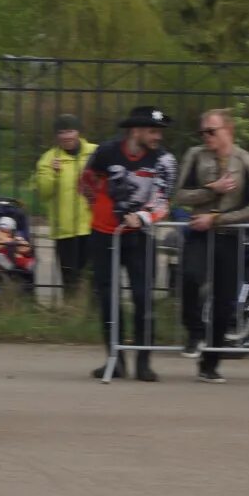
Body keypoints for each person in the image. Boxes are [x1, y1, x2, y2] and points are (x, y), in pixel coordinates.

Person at [79, 105, 177, 382]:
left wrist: (142, 217)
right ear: (135, 130)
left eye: (160, 131)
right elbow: (86, 180)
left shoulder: (164, 160)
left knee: (143, 297)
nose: (157, 136)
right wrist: (97, 205)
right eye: (152, 130)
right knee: (109, 298)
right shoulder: (106, 151)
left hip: (139, 235)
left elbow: (163, 200)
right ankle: (115, 359)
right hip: (104, 234)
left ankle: (144, 361)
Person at [174, 108, 249, 383]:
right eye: (202, 131)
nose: (205, 136)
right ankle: (194, 330)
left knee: (225, 301)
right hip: (199, 234)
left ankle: (209, 363)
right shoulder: (195, 155)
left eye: (211, 131)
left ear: (228, 130)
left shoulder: (248, 161)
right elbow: (178, 195)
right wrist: (212, 189)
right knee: (189, 276)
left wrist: (217, 218)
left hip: (229, 234)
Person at [34, 114, 96, 297]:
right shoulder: (48, 159)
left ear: (79, 132)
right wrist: (54, 173)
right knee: (71, 279)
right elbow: (43, 193)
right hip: (65, 229)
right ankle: (72, 312)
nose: (67, 136)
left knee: (94, 277)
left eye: (70, 131)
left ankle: (94, 314)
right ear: (56, 136)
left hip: (93, 225)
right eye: (61, 132)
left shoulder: (95, 152)